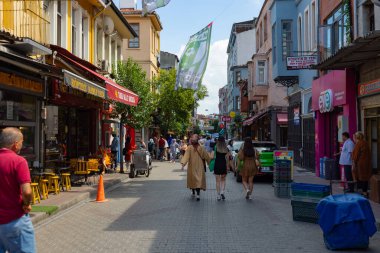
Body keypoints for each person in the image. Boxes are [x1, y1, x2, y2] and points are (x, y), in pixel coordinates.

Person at [0, 127, 36, 253]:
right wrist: (27, 204)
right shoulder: (19, 161)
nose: (22, 145)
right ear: (15, 144)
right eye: (21, 141)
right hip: (15, 221)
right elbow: (26, 191)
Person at [181, 134, 212, 201]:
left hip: (192, 166)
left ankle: (195, 193)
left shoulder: (191, 147)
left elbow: (186, 156)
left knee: (193, 180)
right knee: (198, 180)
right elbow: (206, 156)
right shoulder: (200, 147)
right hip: (199, 167)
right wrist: (210, 163)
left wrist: (183, 164)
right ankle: (197, 194)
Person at [352, 131, 372, 197]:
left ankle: (362, 192)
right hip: (367, 163)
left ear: (357, 137)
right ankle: (365, 192)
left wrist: (354, 163)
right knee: (365, 178)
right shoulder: (365, 143)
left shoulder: (359, 144)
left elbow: (355, 155)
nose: (353, 138)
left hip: (360, 164)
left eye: (354, 136)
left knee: (360, 177)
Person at [214, 136, 229, 200]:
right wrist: (227, 167)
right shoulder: (226, 148)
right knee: (223, 179)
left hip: (217, 164)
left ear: (218, 141)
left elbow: (212, 156)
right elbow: (227, 158)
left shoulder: (215, 147)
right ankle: (222, 192)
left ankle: (218, 195)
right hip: (223, 164)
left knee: (217, 181)